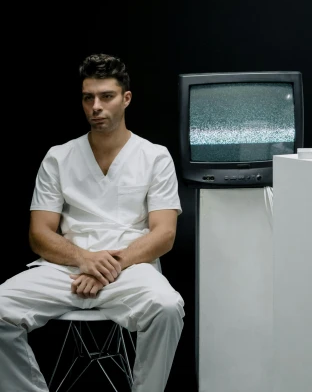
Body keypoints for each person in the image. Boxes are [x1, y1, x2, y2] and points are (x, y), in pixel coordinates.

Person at [0, 53, 185, 392]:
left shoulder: (154, 156)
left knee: (168, 307)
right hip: (66, 269)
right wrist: (85, 260)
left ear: (126, 99)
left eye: (106, 96)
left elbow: (165, 234)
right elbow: (39, 234)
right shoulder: (59, 157)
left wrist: (108, 266)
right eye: (89, 98)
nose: (96, 106)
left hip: (130, 268)